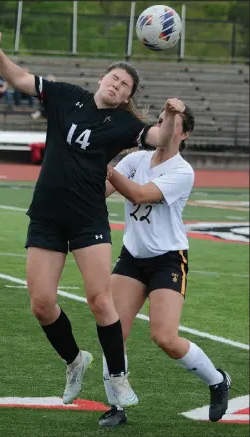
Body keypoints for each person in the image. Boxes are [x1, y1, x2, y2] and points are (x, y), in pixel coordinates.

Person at [0, 28, 186, 408]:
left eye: (125, 85)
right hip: (46, 215)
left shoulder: (124, 125)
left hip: (88, 219)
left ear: (127, 96)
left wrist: (173, 116)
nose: (117, 85)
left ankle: (118, 376)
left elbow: (163, 140)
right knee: (41, 304)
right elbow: (21, 78)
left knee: (99, 300)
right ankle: (75, 361)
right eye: (114, 78)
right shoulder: (66, 97)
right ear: (101, 79)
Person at [98, 105, 231, 427]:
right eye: (159, 121)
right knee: (113, 333)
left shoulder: (182, 171)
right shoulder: (134, 160)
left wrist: (104, 165)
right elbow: (101, 192)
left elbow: (141, 195)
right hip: (132, 257)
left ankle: (217, 381)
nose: (163, 127)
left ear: (184, 134)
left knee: (165, 337)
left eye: (172, 123)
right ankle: (117, 406)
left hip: (168, 259)